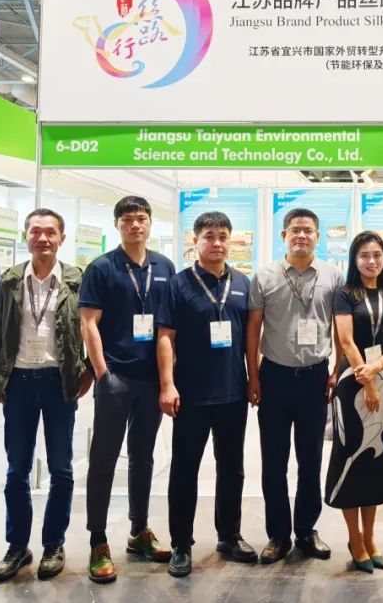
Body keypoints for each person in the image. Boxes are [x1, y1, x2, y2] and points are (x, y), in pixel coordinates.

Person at [0, 209, 90, 583]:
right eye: (36, 232)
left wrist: (89, 368)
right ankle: (17, 546)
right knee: (17, 469)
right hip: (19, 381)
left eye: (50, 232)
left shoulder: (77, 280)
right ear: (25, 236)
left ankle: (53, 544)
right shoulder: (11, 279)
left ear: (62, 238)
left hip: (59, 381)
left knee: (62, 468)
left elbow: (94, 326)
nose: (43, 238)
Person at [80, 196, 176, 583]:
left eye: (141, 218)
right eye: (128, 219)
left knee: (144, 457)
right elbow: (89, 323)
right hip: (115, 377)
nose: (135, 225)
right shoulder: (102, 267)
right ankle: (98, 541)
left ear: (150, 223)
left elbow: (168, 327)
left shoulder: (164, 267)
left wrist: (167, 378)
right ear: (117, 225)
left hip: (150, 378)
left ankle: (139, 531)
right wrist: (103, 374)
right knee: (103, 459)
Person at [157, 211, 257, 577]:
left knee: (232, 468)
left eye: (223, 237)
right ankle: (181, 545)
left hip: (232, 393)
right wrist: (167, 384)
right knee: (185, 470)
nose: (217, 243)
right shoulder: (178, 284)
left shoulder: (242, 282)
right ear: (195, 241)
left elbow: (251, 337)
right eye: (209, 236)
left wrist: (253, 378)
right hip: (191, 394)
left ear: (231, 241)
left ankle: (228, 535)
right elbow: (165, 337)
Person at [247, 208, 344, 564]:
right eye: (295, 230)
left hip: (315, 379)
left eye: (308, 230)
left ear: (317, 236)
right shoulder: (265, 276)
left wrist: (337, 370)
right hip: (274, 377)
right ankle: (277, 535)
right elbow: (253, 328)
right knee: (274, 462)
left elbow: (341, 326)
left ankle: (306, 530)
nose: (301, 236)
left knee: (310, 459)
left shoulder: (333, 275)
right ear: (284, 235)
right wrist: (253, 375)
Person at [325, 231, 383, 574]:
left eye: (377, 255)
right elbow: (345, 340)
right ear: (354, 260)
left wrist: (379, 368)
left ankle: (370, 537)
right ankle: (354, 539)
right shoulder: (345, 294)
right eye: (364, 256)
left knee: (376, 457)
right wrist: (367, 380)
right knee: (352, 454)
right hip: (353, 382)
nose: (371, 261)